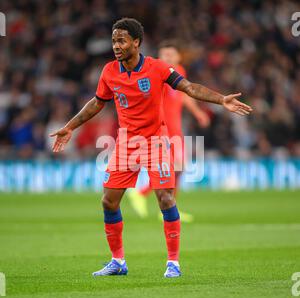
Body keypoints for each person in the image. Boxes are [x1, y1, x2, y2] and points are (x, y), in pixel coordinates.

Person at [50, 18, 252, 278]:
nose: (116, 46)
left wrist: (220, 98)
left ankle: (173, 263)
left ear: (136, 42)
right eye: (113, 41)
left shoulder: (158, 68)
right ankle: (118, 261)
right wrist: (70, 126)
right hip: (126, 143)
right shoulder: (109, 71)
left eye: (121, 40)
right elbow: (97, 103)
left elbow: (189, 88)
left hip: (156, 141)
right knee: (108, 202)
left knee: (165, 198)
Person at [128, 39, 211, 222]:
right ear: (158, 57)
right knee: (173, 167)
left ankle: (165, 206)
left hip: (175, 128)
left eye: (171, 54)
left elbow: (183, 95)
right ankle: (145, 196)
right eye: (164, 55)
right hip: (161, 129)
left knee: (179, 168)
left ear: (178, 57)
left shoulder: (179, 71)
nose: (167, 57)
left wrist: (198, 112)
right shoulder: (155, 73)